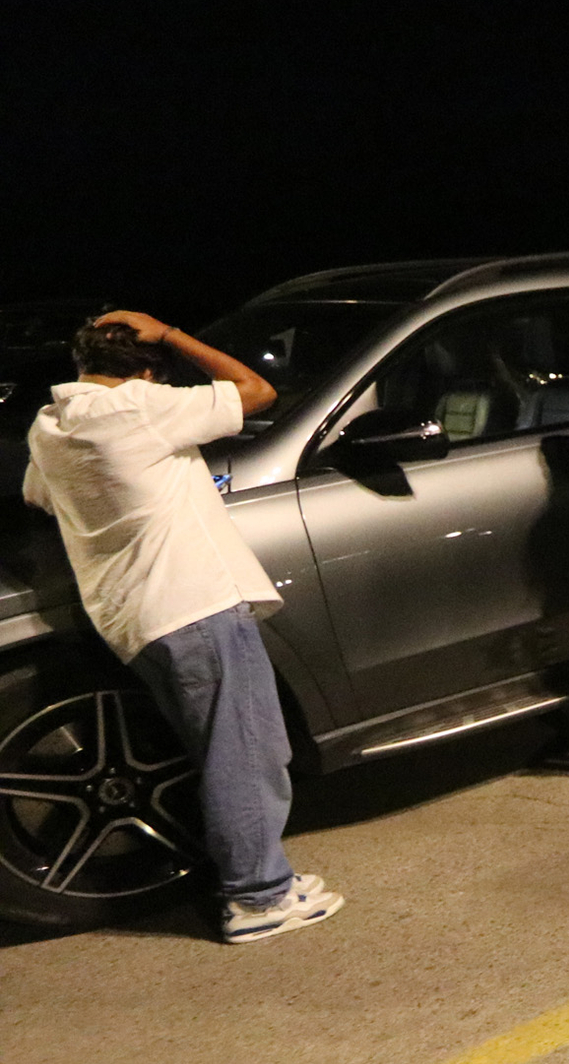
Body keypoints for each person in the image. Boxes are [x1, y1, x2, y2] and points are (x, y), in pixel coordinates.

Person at [21, 312, 343, 942]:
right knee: (246, 754)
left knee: (224, 750)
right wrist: (168, 333)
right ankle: (258, 897)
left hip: (133, 617)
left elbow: (41, 495)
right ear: (144, 372)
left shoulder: (49, 426)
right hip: (195, 605)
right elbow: (256, 392)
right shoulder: (141, 405)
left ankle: (259, 872)